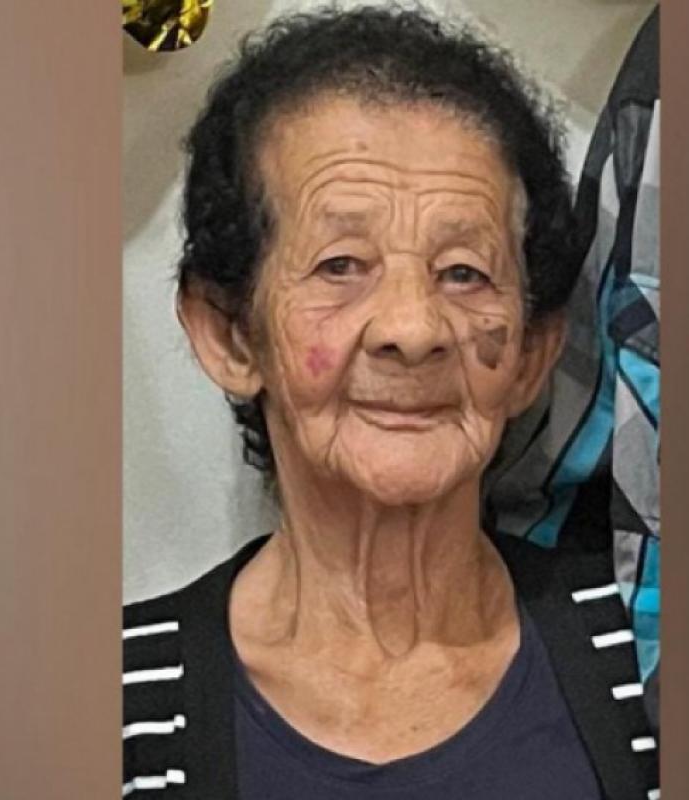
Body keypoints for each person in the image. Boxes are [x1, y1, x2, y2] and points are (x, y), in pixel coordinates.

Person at [123, 7, 658, 798]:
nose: (413, 329)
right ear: (230, 334)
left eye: (465, 272)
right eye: (340, 265)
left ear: (533, 351)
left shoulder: (649, 661)